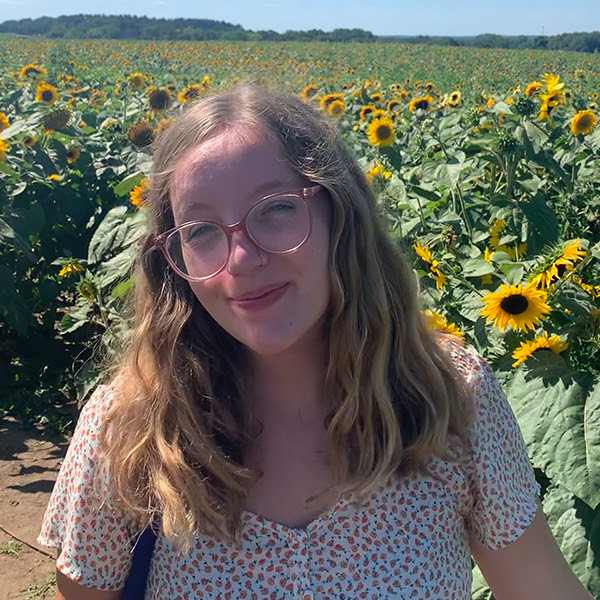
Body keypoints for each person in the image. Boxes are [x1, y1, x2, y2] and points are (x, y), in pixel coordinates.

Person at [38, 85, 593, 600]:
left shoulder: (449, 397)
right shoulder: (130, 429)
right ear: (174, 257)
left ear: (339, 213)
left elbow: (540, 587)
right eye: (201, 230)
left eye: (277, 209)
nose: (242, 260)